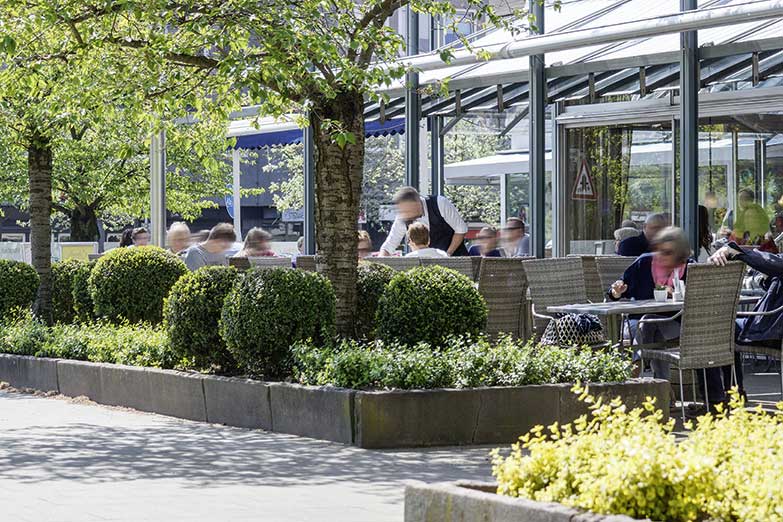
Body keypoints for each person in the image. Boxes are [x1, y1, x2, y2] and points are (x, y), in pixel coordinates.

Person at [609, 227, 694, 384]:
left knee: (649, 324)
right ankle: (664, 389)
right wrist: (617, 291)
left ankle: (635, 371)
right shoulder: (644, 263)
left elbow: (698, 298)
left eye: (668, 252)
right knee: (650, 328)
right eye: (659, 251)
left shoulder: (690, 268)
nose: (662, 256)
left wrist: (677, 293)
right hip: (637, 321)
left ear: (681, 254)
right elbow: (615, 292)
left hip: (676, 323)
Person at [709, 241, 783, 397]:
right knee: (729, 325)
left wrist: (735, 251)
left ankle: (719, 397)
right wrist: (763, 277)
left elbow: (774, 263)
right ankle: (735, 392)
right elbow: (774, 266)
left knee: (719, 328)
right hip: (774, 327)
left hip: (772, 332)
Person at [380, 187, 468, 256]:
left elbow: (461, 230)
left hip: (457, 260)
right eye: (403, 212)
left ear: (418, 202)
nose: (406, 215)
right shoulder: (403, 217)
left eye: (408, 211)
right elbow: (389, 245)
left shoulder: (440, 203)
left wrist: (447, 256)